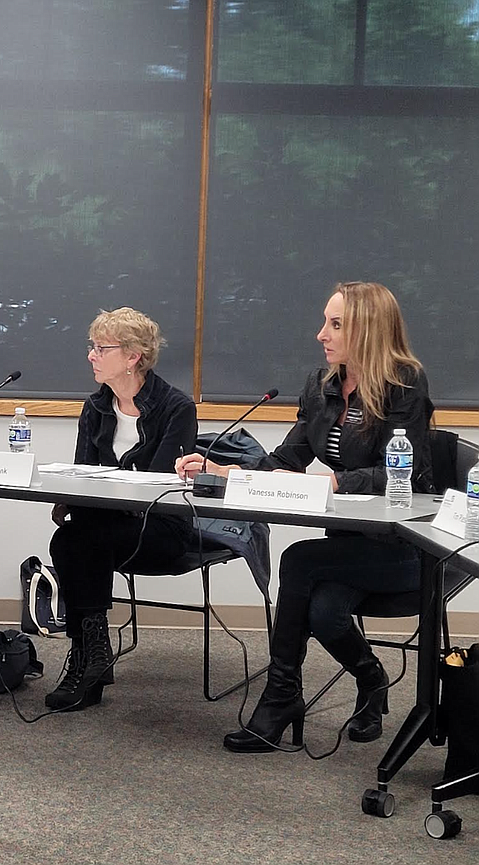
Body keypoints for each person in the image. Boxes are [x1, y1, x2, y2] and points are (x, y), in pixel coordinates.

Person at [176, 281, 434, 752]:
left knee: (299, 561)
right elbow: (286, 462)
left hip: (406, 545)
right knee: (325, 611)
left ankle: (280, 697)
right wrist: (223, 470)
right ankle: (373, 680)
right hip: (349, 543)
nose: (321, 334)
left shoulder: (405, 385)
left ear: (369, 330)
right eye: (325, 322)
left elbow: (404, 470)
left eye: (335, 324)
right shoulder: (322, 385)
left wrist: (334, 482)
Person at [46, 307, 198, 710]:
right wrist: (66, 493)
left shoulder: (176, 407)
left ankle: (88, 658)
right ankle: (92, 654)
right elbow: (81, 472)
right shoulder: (96, 407)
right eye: (91, 347)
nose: (91, 356)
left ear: (133, 357)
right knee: (71, 540)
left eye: (101, 348)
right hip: (104, 527)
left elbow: (158, 487)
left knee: (75, 542)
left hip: (162, 529)